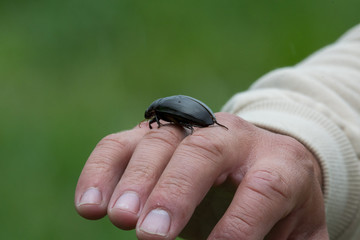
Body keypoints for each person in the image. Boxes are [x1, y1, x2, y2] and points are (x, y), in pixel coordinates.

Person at [74, 24, 360, 240]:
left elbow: (168, 119)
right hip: (205, 118)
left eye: (152, 118)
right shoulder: (164, 112)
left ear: (153, 114)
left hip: (200, 117)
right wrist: (296, 138)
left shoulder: (161, 113)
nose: (152, 120)